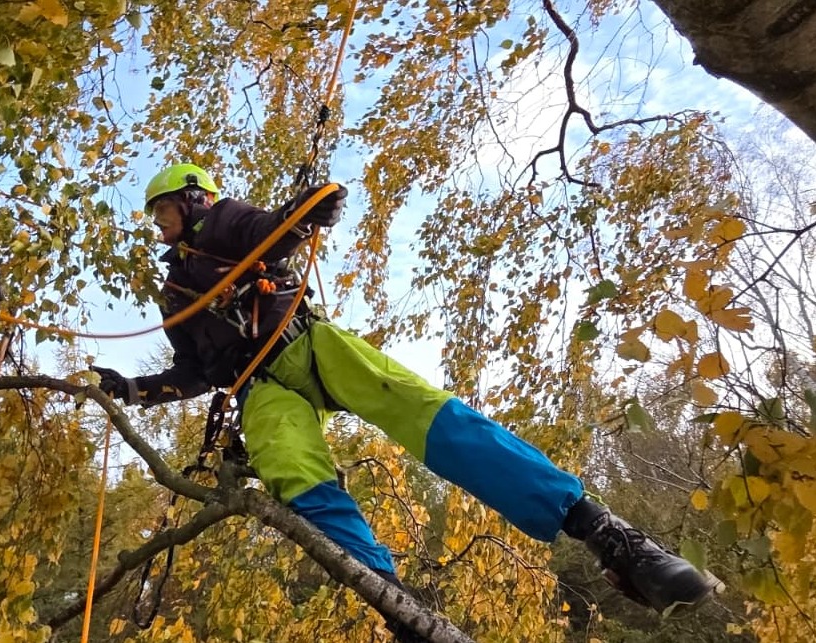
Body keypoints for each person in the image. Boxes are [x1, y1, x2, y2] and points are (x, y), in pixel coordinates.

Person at [92, 163, 719, 640]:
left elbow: (275, 230)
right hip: (261, 386)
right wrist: (137, 389)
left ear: (193, 199)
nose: (157, 221)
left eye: (163, 208)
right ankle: (393, 601)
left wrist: (311, 207)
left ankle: (606, 534)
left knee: (422, 412)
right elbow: (194, 371)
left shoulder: (226, 221)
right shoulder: (175, 290)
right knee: (292, 472)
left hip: (307, 346)